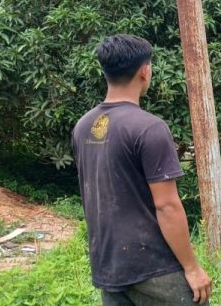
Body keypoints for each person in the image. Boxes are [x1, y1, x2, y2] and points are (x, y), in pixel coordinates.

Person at [72, 34, 212, 306]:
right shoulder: (149, 127)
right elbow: (167, 206)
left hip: (108, 265)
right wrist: (192, 269)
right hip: (152, 267)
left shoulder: (82, 126)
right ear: (144, 71)